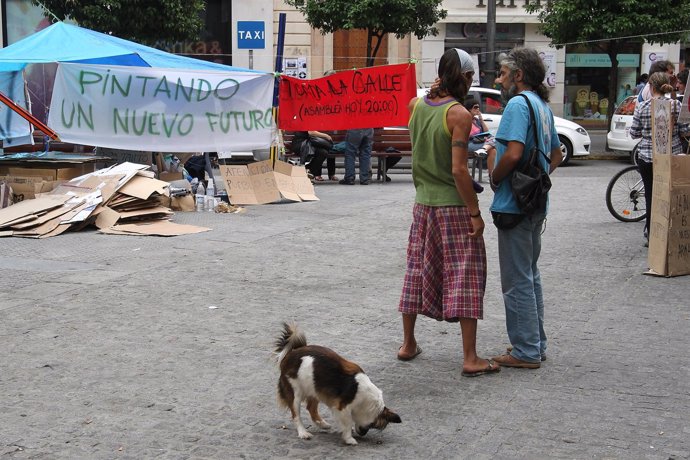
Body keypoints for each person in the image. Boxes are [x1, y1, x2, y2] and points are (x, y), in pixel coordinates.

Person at [397, 48, 499, 378]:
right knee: (465, 272)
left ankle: (408, 343)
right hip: (453, 207)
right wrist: (475, 212)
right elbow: (458, 171)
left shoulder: (416, 106)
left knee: (416, 268)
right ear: (466, 77)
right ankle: (470, 357)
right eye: (471, 77)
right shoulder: (459, 115)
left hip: (422, 204)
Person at [487, 47, 562, 369]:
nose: (499, 79)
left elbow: (514, 153)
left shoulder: (519, 104)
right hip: (534, 203)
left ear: (519, 75)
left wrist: (496, 176)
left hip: (514, 204)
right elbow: (556, 153)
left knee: (517, 280)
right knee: (530, 276)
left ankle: (526, 350)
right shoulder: (541, 106)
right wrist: (538, 180)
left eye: (503, 73)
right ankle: (536, 342)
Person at [629, 71, 690, 247]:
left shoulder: (642, 106)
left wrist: (647, 133)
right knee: (669, 194)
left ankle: (652, 233)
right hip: (671, 155)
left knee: (650, 195)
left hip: (647, 156)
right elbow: (685, 130)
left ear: (650, 86)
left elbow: (634, 133)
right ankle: (670, 232)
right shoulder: (676, 105)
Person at [464, 98, 497, 168]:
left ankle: (491, 176)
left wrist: (481, 120)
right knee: (495, 142)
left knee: (493, 150)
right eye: (475, 107)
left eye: (478, 107)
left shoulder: (477, 120)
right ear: (469, 109)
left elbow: (487, 132)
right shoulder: (464, 120)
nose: (477, 109)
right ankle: (484, 149)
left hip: (480, 142)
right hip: (470, 143)